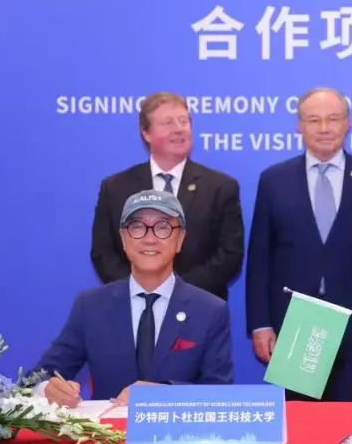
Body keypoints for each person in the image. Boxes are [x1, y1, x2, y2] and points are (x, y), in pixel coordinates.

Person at [245, 87, 352, 401]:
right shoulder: (274, 180)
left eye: (333, 119)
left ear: (348, 123)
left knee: (348, 420)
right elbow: (259, 259)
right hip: (295, 324)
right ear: (299, 126)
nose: (324, 128)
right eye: (314, 120)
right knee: (301, 422)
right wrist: (260, 324)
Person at [37, 189, 233, 407]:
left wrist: (165, 395)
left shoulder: (209, 310)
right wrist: (48, 389)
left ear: (180, 239)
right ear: (123, 238)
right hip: (106, 428)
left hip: (175, 428)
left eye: (163, 227)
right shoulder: (91, 306)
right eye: (137, 227)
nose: (149, 239)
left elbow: (220, 394)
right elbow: (38, 377)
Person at [90, 92, 244, 300]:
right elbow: (103, 253)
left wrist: (177, 293)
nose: (179, 129)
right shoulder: (115, 188)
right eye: (168, 122)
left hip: (198, 305)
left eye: (184, 121)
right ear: (146, 133)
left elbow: (229, 256)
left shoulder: (221, 187)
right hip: (130, 305)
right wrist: (141, 291)